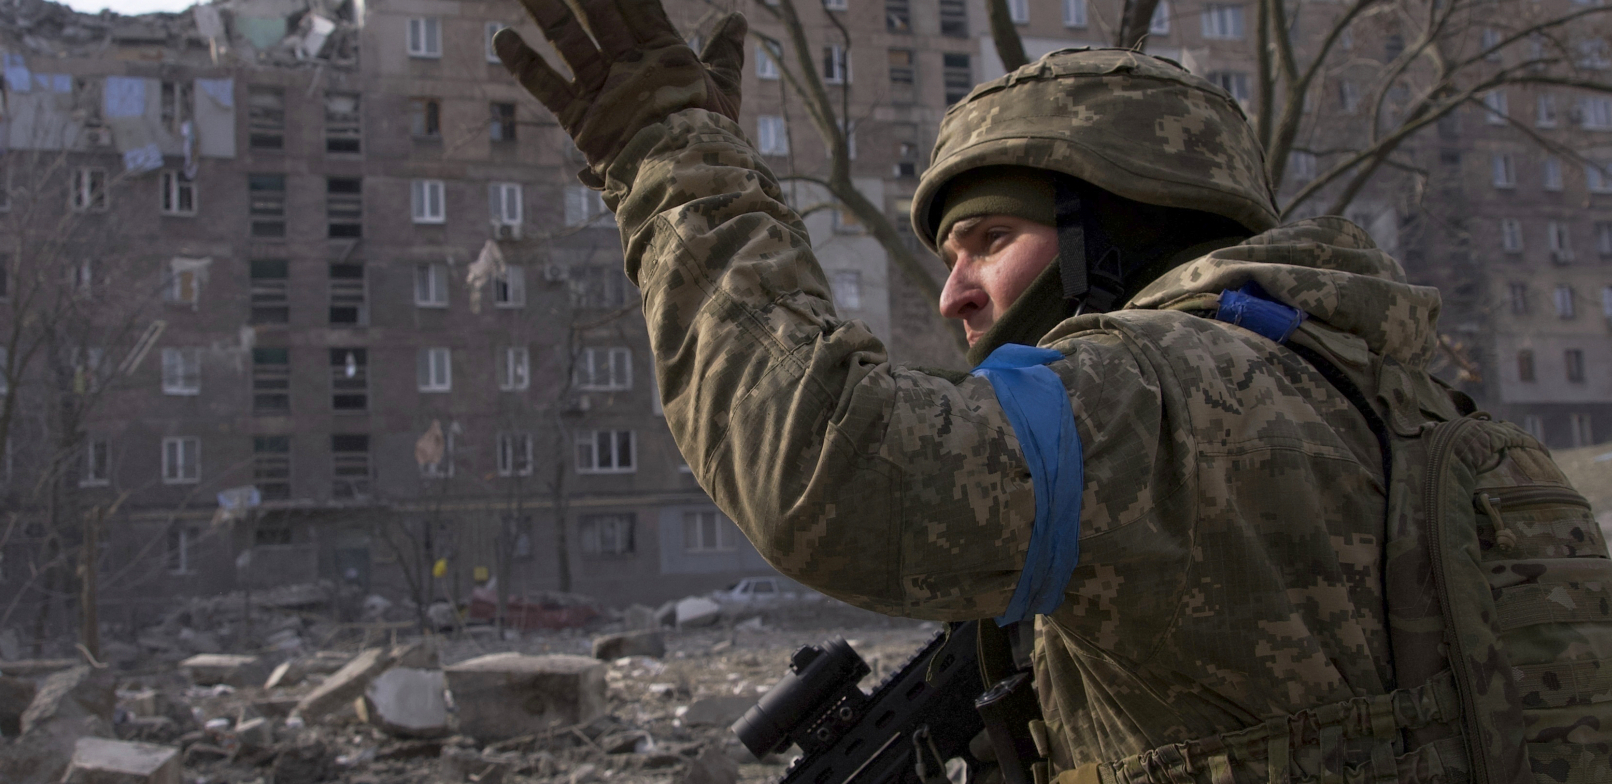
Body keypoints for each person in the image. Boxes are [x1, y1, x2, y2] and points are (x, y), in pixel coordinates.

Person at [492, 2, 1612, 782]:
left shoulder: (1166, 392)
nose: (953, 294)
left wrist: (671, 158)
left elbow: (830, 473)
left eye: (988, 240)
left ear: (1114, 231)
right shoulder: (1400, 404)